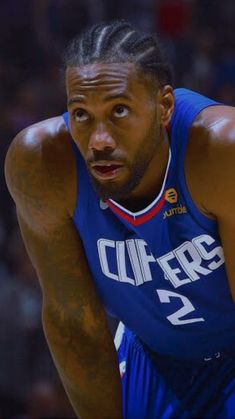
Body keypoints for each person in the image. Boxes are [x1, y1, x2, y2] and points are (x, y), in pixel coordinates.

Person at [5, 20, 235, 419]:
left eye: (119, 111)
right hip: (153, 356)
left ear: (164, 107)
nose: (99, 141)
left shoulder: (220, 152)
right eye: (81, 115)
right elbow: (74, 323)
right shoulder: (41, 165)